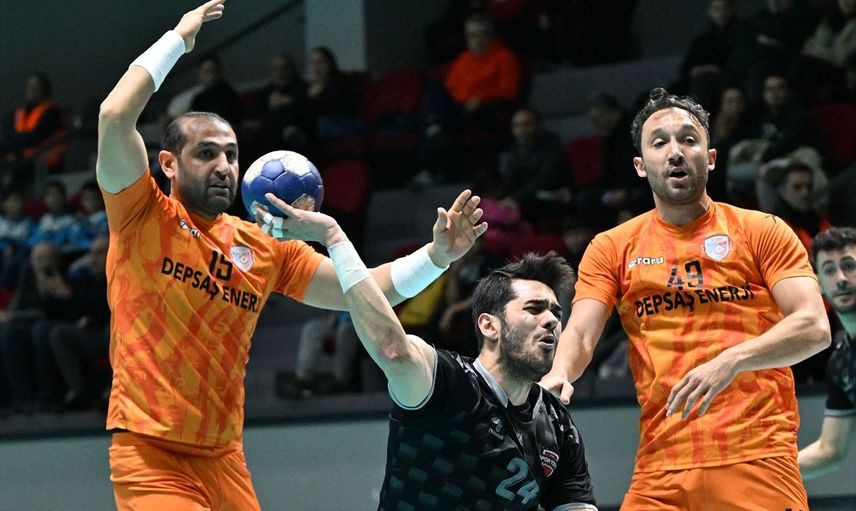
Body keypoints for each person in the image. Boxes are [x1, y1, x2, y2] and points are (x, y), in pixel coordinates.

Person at [96, 2, 485, 509]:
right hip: (151, 454)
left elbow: (364, 290)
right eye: (206, 153)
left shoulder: (262, 247)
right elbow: (114, 116)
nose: (223, 166)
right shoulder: (140, 213)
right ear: (168, 163)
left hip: (224, 458)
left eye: (231, 154)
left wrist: (436, 256)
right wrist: (178, 40)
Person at [541, 87, 831, 510]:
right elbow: (582, 333)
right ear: (641, 166)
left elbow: (814, 326)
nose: (675, 152)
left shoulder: (761, 230)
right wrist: (560, 372)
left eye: (688, 140)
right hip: (661, 466)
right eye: (659, 143)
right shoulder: (612, 247)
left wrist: (731, 360)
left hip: (758, 455)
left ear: (710, 158)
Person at [279, 191, 596, 510]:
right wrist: (335, 239)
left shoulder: (557, 425)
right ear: (490, 326)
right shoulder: (450, 383)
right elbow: (393, 349)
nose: (551, 321)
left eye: (556, 313)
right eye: (534, 309)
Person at [798, 226, 856, 479]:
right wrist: (769, 473)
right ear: (819, 284)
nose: (841, 278)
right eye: (830, 270)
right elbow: (829, 450)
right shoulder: (842, 364)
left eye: (849, 266)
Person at [499, 106, 570, 227]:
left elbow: (547, 178)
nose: (522, 130)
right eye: (517, 126)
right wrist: (506, 199)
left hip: (550, 196)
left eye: (526, 125)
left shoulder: (552, 144)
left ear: (538, 125)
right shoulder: (516, 148)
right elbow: (510, 179)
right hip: (522, 198)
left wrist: (516, 198)